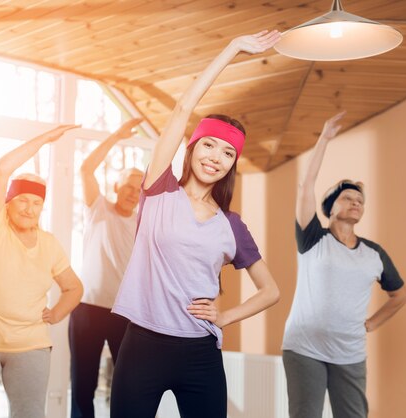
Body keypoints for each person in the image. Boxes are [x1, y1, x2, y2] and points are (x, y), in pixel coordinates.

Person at [109, 30, 281, 418]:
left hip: (200, 353)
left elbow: (270, 290)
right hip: (142, 346)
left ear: (232, 165)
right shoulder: (158, 190)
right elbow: (182, 109)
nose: (216, 157)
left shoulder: (231, 225)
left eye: (227, 153)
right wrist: (234, 48)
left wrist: (226, 316)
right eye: (209, 144)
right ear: (192, 147)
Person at [0, 125, 84, 418]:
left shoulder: (49, 244)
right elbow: (0, 170)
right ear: (7, 203)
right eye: (23, 200)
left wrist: (58, 312)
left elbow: (74, 287)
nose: (29, 208)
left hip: (30, 346)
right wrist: (45, 139)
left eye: (37, 203)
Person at [282, 111, 406, 418]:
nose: (355, 203)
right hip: (304, 348)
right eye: (348, 198)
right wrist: (324, 138)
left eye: (360, 200)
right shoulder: (313, 238)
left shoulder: (374, 253)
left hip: (349, 353)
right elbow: (305, 187)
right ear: (331, 206)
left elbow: (400, 295)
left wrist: (371, 324)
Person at [69, 118, 143, 418]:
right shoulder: (98, 209)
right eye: (128, 186)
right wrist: (117, 136)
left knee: (129, 385)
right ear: (117, 186)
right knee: (82, 385)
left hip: (124, 313)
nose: (132, 193)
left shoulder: (143, 224)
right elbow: (86, 169)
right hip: (86, 309)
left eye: (139, 190)